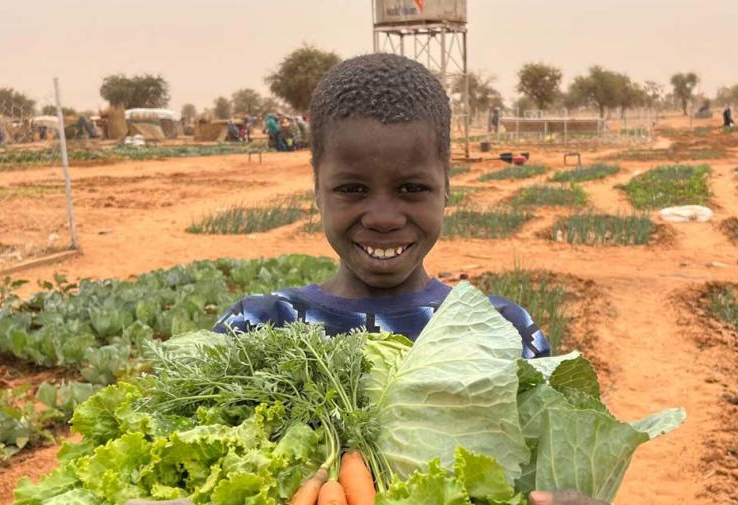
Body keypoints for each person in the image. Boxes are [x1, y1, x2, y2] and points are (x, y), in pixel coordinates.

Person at [212, 54, 600, 505]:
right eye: (352, 189)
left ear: (446, 186)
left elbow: (546, 469)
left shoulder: (502, 332)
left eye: (411, 189)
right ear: (317, 188)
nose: (382, 218)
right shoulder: (256, 328)